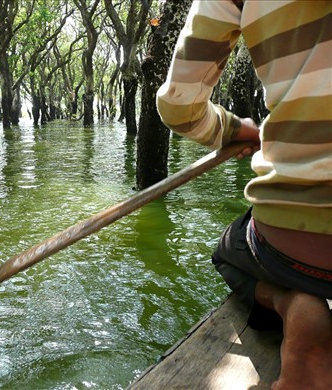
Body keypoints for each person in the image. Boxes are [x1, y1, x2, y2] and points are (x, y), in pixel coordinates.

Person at [156, 1, 331, 389]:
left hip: (302, 255)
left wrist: (232, 129)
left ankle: (291, 303)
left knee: (226, 251)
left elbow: (178, 107)